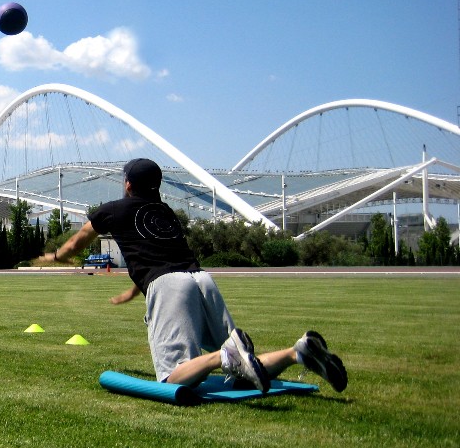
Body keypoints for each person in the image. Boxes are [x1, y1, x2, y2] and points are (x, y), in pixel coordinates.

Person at [33, 158, 347, 393]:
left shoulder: (114, 209)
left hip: (171, 287)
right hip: (200, 280)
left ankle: (223, 356)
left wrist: (55, 256)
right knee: (240, 368)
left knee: (173, 376)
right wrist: (134, 288)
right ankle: (299, 353)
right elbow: (156, 251)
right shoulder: (165, 212)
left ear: (128, 184)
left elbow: (78, 241)